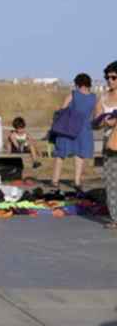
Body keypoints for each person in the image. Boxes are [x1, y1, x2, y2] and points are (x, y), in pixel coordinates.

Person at [51, 73, 97, 191]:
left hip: (68, 128)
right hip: (84, 129)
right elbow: (94, 115)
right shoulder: (93, 98)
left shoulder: (73, 94)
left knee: (61, 154)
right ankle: (77, 182)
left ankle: (55, 181)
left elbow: (62, 110)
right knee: (79, 156)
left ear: (78, 84)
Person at [94, 61, 117, 229]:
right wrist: (104, 122)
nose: (110, 81)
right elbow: (95, 123)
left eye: (114, 77)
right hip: (110, 144)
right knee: (111, 181)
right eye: (107, 77)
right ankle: (115, 218)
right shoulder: (103, 98)